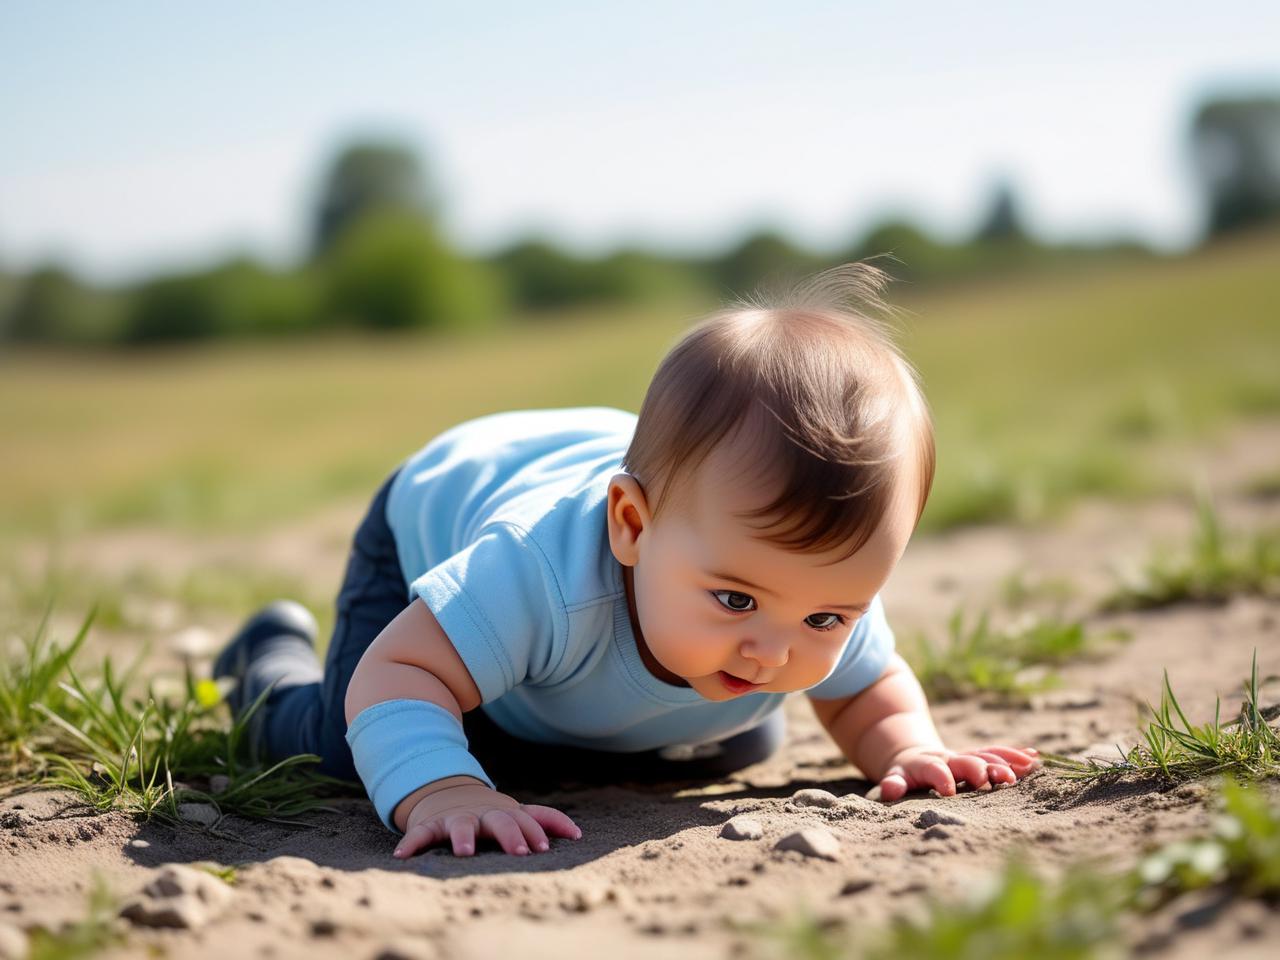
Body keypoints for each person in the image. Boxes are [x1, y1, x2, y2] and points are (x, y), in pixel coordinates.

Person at [213, 262, 1039, 860]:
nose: (774, 650)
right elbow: (398, 673)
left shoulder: (812, 575)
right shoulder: (536, 574)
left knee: (730, 742)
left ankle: (567, 714)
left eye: (826, 618)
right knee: (356, 747)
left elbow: (867, 689)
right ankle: (266, 660)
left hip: (607, 593)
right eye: (736, 601)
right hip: (433, 515)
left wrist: (907, 748)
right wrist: (444, 790)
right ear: (632, 527)